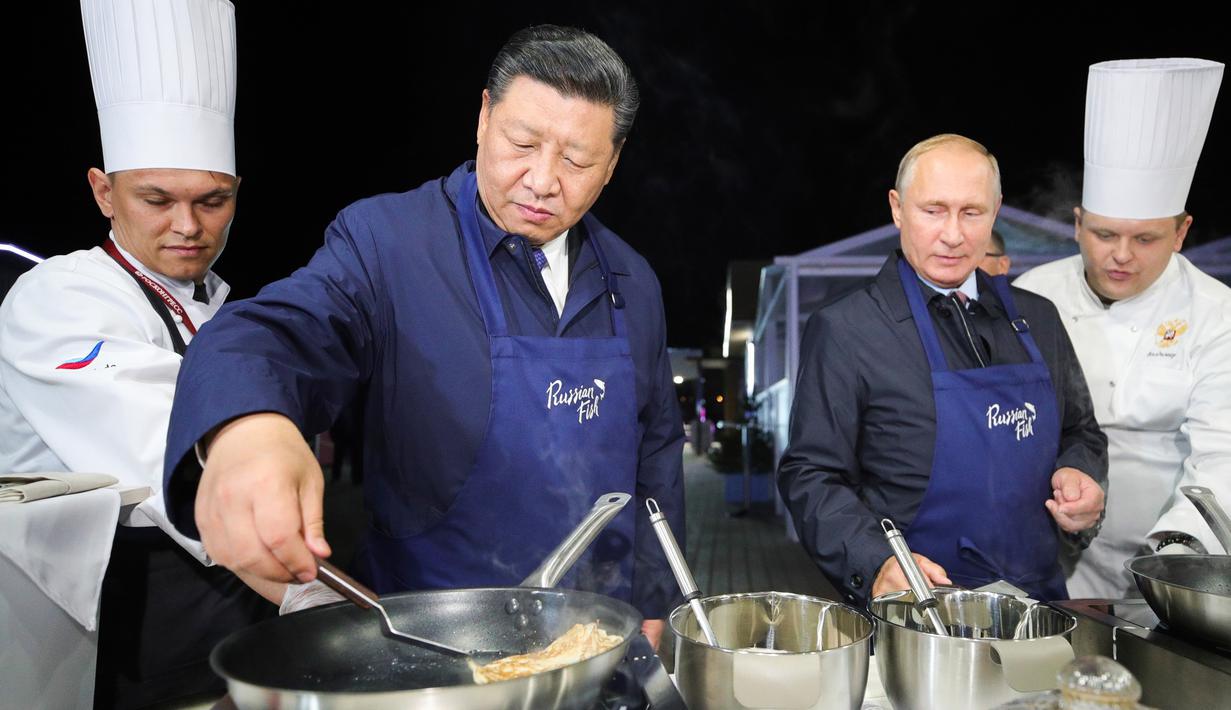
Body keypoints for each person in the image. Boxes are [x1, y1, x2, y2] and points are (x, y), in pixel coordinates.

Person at [161, 25, 684, 646]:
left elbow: (656, 451)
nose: (543, 180)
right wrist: (246, 426)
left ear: (613, 162)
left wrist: (657, 598)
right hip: (430, 639)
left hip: (597, 638)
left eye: (576, 160)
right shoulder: (388, 243)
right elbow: (270, 332)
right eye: (522, 143)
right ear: (484, 118)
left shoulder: (634, 280)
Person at [0, 1, 279, 706]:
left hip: (230, 598)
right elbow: (172, 453)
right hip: (112, 608)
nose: (188, 227)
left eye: (213, 201)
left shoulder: (225, 304)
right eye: (157, 199)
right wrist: (315, 591)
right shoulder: (56, 297)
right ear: (104, 191)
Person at [778, 134, 1107, 607]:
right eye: (933, 210)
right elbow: (810, 473)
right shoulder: (848, 329)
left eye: (972, 212)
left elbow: (1082, 431)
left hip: (1039, 605)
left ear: (995, 211)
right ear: (897, 208)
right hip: (918, 614)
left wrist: (1082, 471)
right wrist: (874, 562)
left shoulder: (1038, 319)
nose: (953, 234)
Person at [1016, 58, 1231, 599]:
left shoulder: (1216, 312)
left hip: (1173, 565)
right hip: (1043, 557)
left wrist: (1173, 565)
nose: (1120, 256)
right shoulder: (1035, 295)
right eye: (1104, 234)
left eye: (1146, 239)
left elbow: (1222, 457)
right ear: (1077, 223)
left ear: (1181, 232)